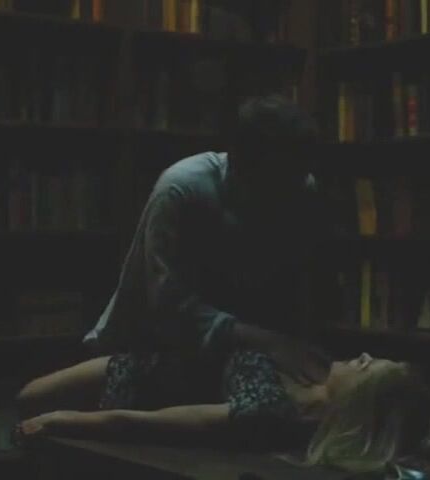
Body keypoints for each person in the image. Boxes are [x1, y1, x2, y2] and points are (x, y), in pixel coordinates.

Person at [84, 94, 332, 385]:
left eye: (299, 176)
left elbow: (295, 285)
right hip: (141, 353)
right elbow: (167, 307)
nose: (290, 192)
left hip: (240, 356)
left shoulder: (302, 189)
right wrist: (268, 341)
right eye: (279, 180)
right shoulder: (182, 188)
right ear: (241, 164)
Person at [15, 349, 430, 473]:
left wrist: (65, 422)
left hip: (135, 383)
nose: (362, 356)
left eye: (367, 368)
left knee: (30, 401)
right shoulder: (310, 367)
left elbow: (154, 422)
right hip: (138, 359)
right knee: (25, 397)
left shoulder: (271, 413)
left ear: (357, 402)